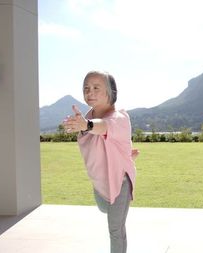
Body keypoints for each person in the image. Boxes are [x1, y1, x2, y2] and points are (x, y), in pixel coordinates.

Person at [63, 70, 137, 253]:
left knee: (115, 230)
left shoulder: (119, 117)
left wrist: (86, 125)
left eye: (96, 88)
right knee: (104, 208)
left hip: (120, 183)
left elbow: (104, 126)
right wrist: (122, 156)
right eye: (86, 88)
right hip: (99, 183)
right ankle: (122, 163)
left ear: (110, 92)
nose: (90, 92)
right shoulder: (87, 116)